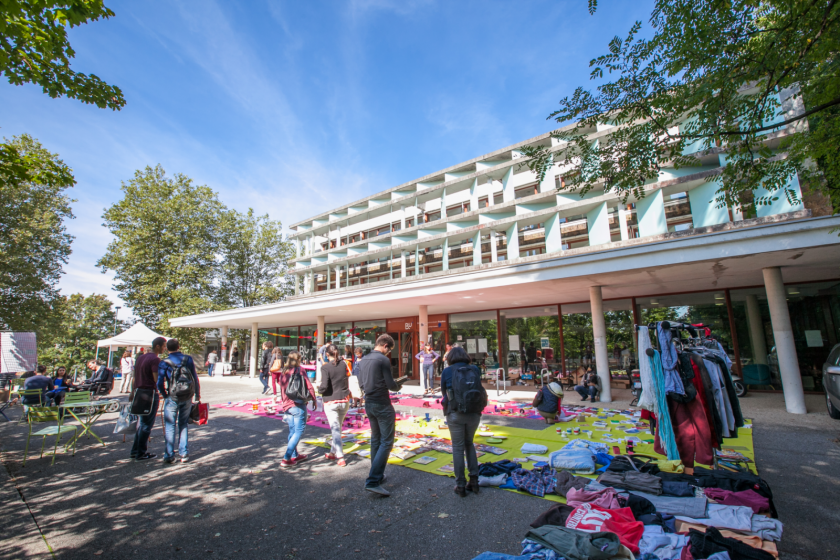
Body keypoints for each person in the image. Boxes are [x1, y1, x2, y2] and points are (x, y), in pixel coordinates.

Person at [358, 334, 403, 496]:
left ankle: (376, 474)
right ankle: (372, 480)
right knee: (386, 441)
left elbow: (361, 383)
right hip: (382, 403)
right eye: (389, 350)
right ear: (385, 345)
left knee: (376, 439)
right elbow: (391, 385)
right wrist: (398, 385)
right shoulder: (383, 360)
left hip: (369, 402)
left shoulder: (363, 359)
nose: (388, 353)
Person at [440, 346, 487, 497]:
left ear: (450, 358)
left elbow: (443, 392)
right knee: (469, 444)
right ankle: (474, 481)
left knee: (458, 447)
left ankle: (460, 485)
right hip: (474, 412)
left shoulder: (447, 371)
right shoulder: (474, 369)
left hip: (455, 413)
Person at [157, 338, 201, 464]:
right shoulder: (188, 359)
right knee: (183, 423)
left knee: (170, 426)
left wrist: (165, 394)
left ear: (166, 348)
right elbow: (194, 377)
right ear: (178, 346)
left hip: (172, 396)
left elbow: (160, 382)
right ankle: (184, 453)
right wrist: (197, 394)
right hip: (187, 395)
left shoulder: (164, 362)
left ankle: (169, 455)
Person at [273, 351, 316, 467]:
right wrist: (314, 399)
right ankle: (286, 458)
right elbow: (309, 386)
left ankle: (294, 455)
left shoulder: (284, 371)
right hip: (297, 404)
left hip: (287, 405)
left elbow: (281, 388)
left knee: (292, 431)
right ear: (297, 359)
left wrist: (283, 403)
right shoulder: (300, 370)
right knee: (299, 431)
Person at [131, 337, 165, 461]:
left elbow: (134, 376)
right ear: (158, 346)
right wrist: (163, 389)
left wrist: (132, 391)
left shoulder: (140, 357)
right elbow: (157, 379)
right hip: (150, 393)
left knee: (141, 423)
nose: (165, 348)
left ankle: (135, 450)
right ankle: (141, 452)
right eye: (164, 346)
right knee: (146, 424)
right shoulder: (155, 359)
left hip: (139, 392)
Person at [319, 344, 351, 467]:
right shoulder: (344, 364)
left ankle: (340, 456)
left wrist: (319, 388)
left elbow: (324, 386)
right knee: (338, 428)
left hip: (331, 401)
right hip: (344, 400)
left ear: (327, 354)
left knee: (335, 429)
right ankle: (333, 452)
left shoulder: (325, 367)